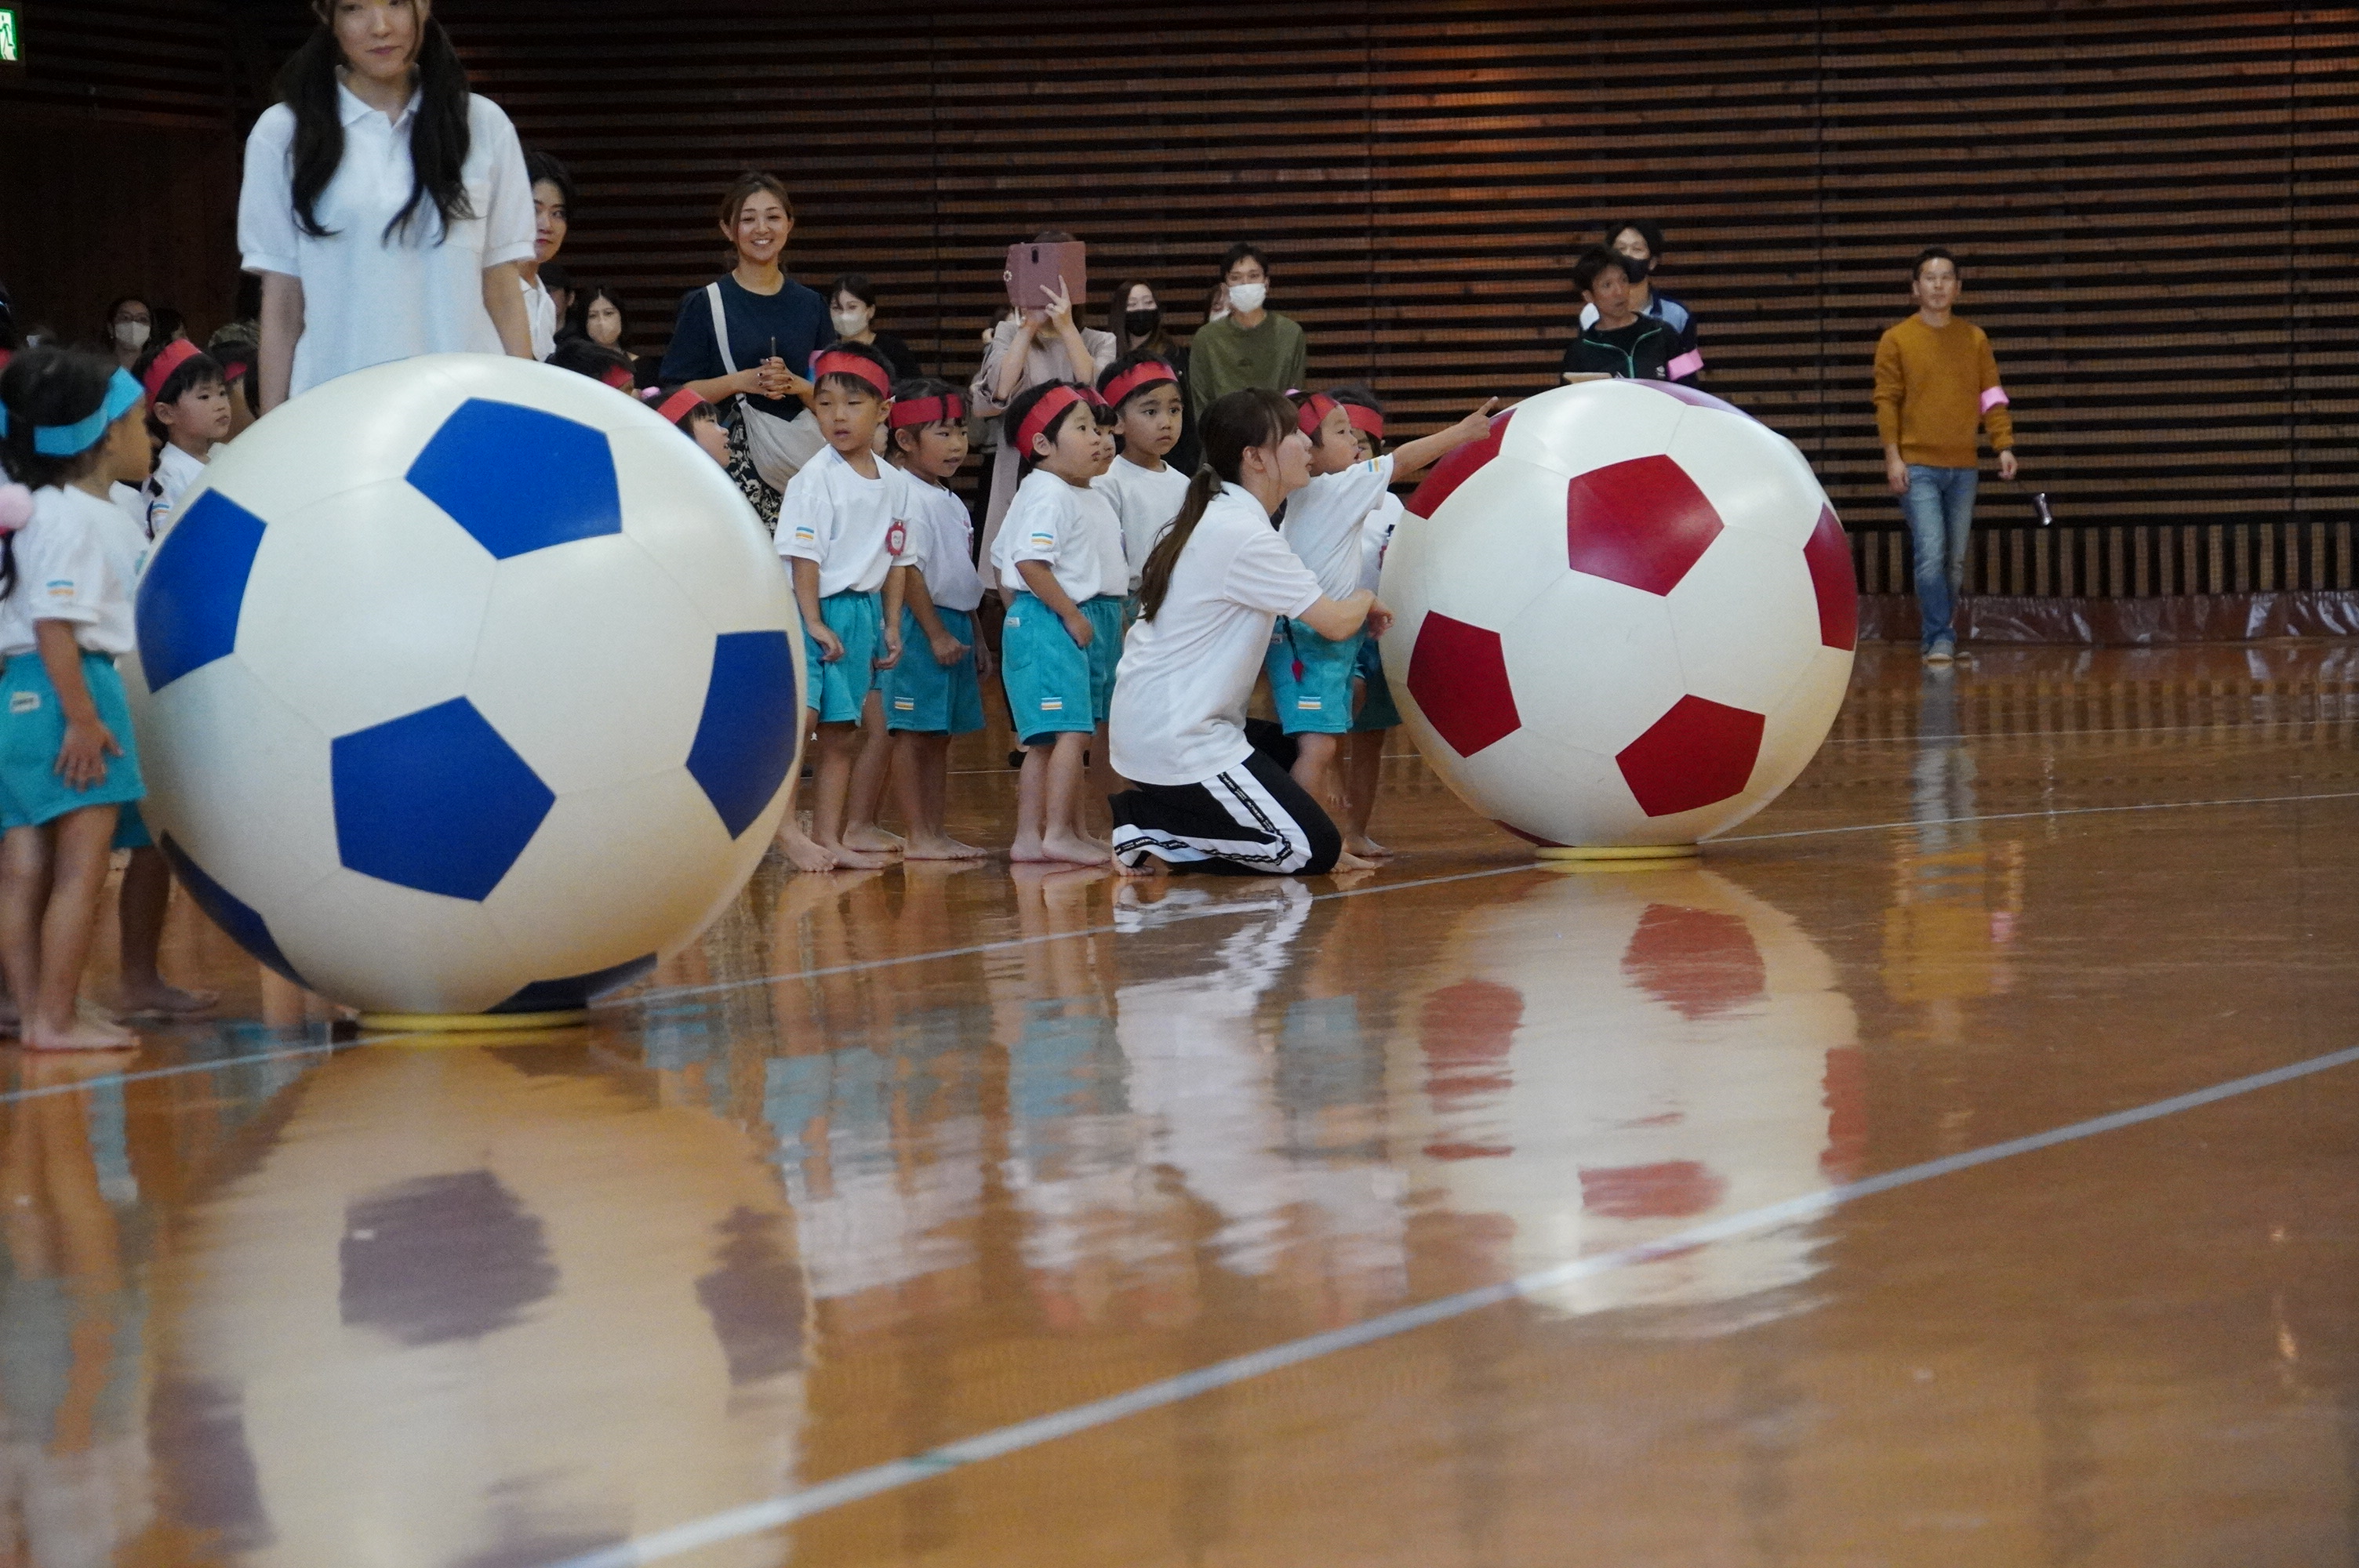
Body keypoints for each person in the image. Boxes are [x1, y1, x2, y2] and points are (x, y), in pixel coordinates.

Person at [1107, 389, 1389, 878]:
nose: (1307, 444)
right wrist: (1366, 598)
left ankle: (1176, 823)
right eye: (1293, 435)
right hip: (1177, 737)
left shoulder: (1229, 517)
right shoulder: (1243, 534)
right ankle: (1150, 825)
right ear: (1255, 458)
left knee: (1300, 749)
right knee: (1309, 851)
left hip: (1164, 725)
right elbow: (1337, 622)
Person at [238, 0, 536, 413]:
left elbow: (502, 288)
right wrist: (273, 424)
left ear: (424, 6)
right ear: (327, 17)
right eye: (354, 8)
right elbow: (283, 301)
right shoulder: (283, 132)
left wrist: (528, 412)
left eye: (395, 3)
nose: (380, 26)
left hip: (468, 408)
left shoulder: (483, 123)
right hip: (337, 406)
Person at [0, 348, 158, 1049]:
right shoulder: (68, 518)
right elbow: (54, 626)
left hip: (16, 696)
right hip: (70, 687)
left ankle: (35, 1013)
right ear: (102, 432)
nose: (141, 432)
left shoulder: (26, 512)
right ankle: (57, 1019)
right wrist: (85, 719)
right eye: (135, 422)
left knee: (23, 870)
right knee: (79, 872)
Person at [1274, 388, 1498, 837]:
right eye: (1341, 433)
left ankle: (1327, 839)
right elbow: (1405, 459)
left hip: (1325, 634)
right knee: (1317, 750)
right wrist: (1462, 432)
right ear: (1309, 453)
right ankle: (1308, 843)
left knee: (1325, 740)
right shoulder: (1339, 487)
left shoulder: (1308, 493)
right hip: (1311, 638)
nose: (1354, 441)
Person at [776, 342, 908, 870]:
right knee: (802, 724)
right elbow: (803, 557)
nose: (837, 416)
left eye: (853, 404)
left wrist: (891, 624)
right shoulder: (814, 479)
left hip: (860, 613)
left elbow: (897, 558)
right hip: (810, 610)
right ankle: (787, 831)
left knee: (840, 733)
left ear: (884, 410)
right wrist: (812, 620)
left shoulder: (895, 483)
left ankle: (830, 837)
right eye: (826, 403)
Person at [990, 379, 1121, 865]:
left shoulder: (1081, 492)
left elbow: (1001, 555)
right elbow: (1026, 563)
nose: (1099, 438)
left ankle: (1043, 835)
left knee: (1058, 736)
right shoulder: (1048, 493)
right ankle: (1058, 833)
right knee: (1068, 732)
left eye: (1100, 429)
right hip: (1058, 618)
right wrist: (1062, 614)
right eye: (1083, 429)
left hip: (1078, 617)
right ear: (1043, 445)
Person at [1874, 245, 2018, 666]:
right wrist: (1893, 457)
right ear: (1915, 288)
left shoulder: (1975, 339)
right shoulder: (1896, 339)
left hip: (1964, 466)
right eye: (1930, 278)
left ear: (1958, 288)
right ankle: (1940, 636)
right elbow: (1886, 401)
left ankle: (1940, 635)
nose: (1938, 286)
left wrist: (2003, 445)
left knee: (1953, 561)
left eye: (1946, 278)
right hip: (1917, 465)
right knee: (1931, 553)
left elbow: (1991, 396)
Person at [658, 171, 829, 509]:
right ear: (728, 229)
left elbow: (832, 396)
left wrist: (795, 384)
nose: (762, 229)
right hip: (729, 472)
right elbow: (675, 396)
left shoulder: (812, 305)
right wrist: (742, 381)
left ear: (790, 224)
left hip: (801, 470)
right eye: (748, 219)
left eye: (773, 217)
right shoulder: (705, 303)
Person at [878, 378, 990, 860]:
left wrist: (976, 635)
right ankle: (918, 834)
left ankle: (934, 831)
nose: (958, 444)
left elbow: (959, 573)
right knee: (913, 733)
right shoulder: (903, 494)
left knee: (938, 736)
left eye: (961, 431)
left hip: (953, 622)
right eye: (943, 433)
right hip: (921, 625)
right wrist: (936, 632)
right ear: (905, 440)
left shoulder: (946, 497)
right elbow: (908, 572)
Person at [969, 230, 1114, 571]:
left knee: (1082, 563)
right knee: (1014, 560)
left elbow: (1099, 399)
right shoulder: (1009, 332)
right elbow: (996, 394)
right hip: (1019, 462)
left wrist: (1067, 328)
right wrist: (1028, 326)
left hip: (1084, 463)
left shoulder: (1099, 341)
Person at [1333, 387, 1405, 858]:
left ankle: (1356, 829)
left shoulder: (1393, 506)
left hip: (1376, 633)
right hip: (1331, 630)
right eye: (1345, 440)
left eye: (1363, 444)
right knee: (1328, 733)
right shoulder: (1311, 500)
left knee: (1370, 738)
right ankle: (1330, 827)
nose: (1355, 452)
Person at [1092, 350, 1190, 607]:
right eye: (1150, 412)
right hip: (1128, 602)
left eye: (1174, 410)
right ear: (1117, 422)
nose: (1166, 422)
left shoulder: (1185, 484)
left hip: (1181, 599)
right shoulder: (1107, 481)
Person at [1579, 218, 1703, 385]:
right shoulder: (1590, 314)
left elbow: (1687, 379)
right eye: (1620, 249)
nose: (1627, 255)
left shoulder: (1678, 314)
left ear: (1652, 262)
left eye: (1637, 249)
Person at [1187, 244, 1305, 416]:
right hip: (1222, 430)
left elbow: (1295, 398)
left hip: (1277, 429)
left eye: (1254, 276)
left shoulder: (1290, 334)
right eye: (1236, 278)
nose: (1245, 284)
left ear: (1266, 283)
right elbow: (1201, 405)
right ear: (1226, 286)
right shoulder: (1206, 338)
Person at [132, 339, 231, 534]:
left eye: (222, 392)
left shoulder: (225, 454)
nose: (221, 405)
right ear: (165, 413)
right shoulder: (168, 478)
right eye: (204, 396)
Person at [1108, 279, 1198, 470]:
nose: (1141, 310)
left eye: (1148, 303)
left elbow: (1185, 412)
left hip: (1172, 456)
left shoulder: (1173, 354)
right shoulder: (1109, 354)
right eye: (1132, 305)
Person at [1563, 249, 1681, 381]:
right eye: (1607, 285)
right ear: (1589, 296)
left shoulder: (1664, 333)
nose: (1619, 291)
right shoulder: (1580, 352)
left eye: (1623, 280)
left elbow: (1689, 383)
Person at [517, 147, 572, 360]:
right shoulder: (489, 290)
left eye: (558, 213)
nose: (547, 225)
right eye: (535, 210)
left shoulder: (547, 304)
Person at [823, 274, 921, 384]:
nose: (844, 315)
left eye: (852, 307)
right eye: (836, 308)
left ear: (870, 311)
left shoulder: (893, 349)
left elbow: (915, 389)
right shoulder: (826, 351)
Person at [577, 284, 653, 387]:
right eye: (592, 316)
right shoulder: (577, 368)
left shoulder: (641, 365)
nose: (601, 322)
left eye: (608, 313)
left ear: (621, 317)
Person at [99, 298, 152, 371]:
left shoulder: (157, 370)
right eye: (125, 318)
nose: (134, 324)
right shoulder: (96, 370)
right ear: (111, 328)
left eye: (142, 319)